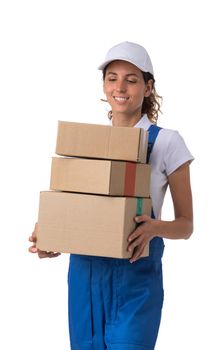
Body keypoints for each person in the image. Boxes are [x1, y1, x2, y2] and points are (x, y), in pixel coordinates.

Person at [29, 41, 194, 350]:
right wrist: (50, 235)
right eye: (112, 77)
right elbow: (79, 209)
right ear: (104, 85)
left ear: (147, 88)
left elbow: (186, 225)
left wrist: (153, 228)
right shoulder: (90, 143)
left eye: (131, 79)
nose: (120, 87)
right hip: (85, 277)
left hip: (135, 277)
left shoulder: (167, 143)